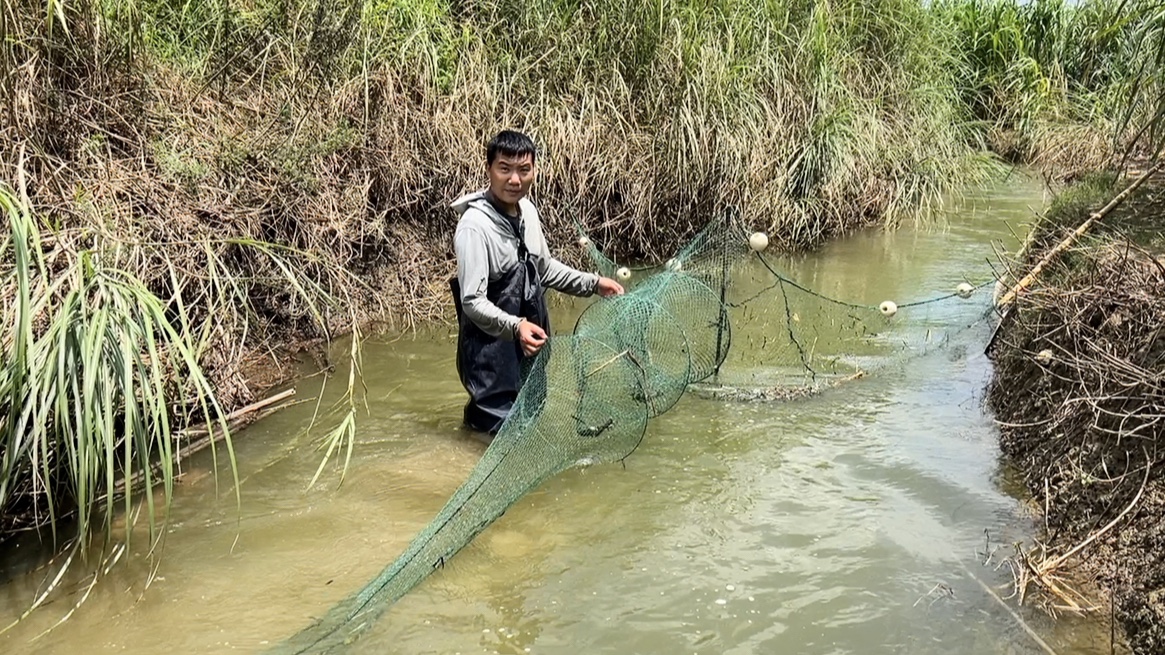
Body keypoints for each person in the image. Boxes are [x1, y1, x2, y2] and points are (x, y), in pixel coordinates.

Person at [450, 130, 624, 438]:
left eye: (523, 170)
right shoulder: (474, 227)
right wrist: (517, 327)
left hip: (527, 346)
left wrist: (593, 283)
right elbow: (472, 302)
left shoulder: (527, 210)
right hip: (490, 355)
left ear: (535, 171)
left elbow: (542, 269)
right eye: (504, 168)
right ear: (489, 169)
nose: (514, 179)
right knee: (490, 436)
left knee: (526, 425)